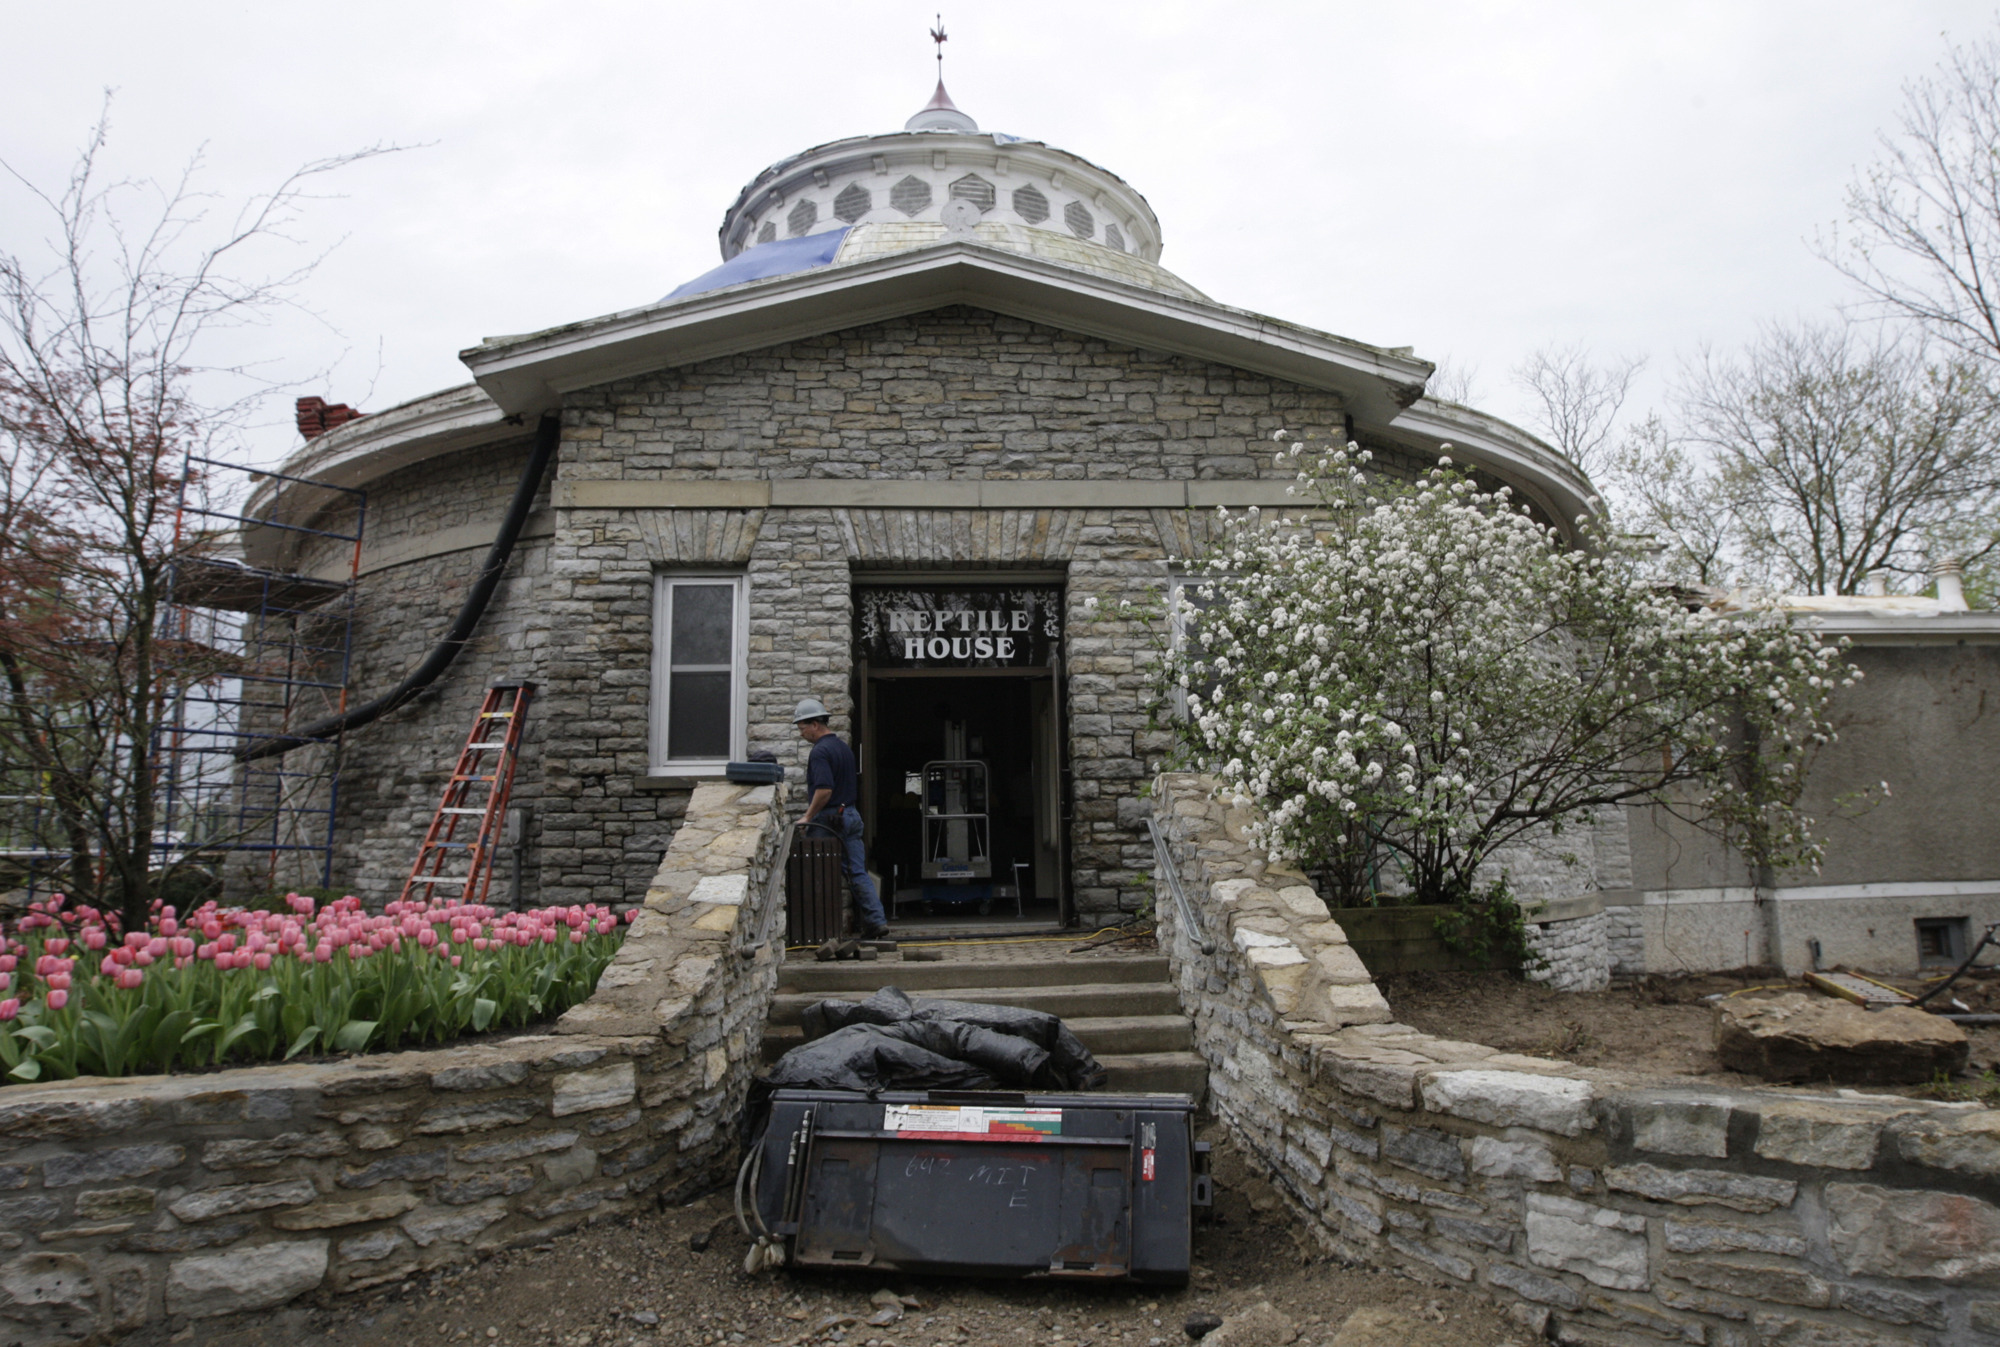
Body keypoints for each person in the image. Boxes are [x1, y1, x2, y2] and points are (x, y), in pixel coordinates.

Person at [793, 698, 888, 940]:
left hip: (829, 819)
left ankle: (818, 932)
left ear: (815, 724)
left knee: (817, 871)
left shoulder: (820, 752)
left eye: (802, 727)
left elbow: (824, 790)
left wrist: (807, 816)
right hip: (851, 815)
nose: (801, 733)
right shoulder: (843, 748)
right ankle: (877, 922)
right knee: (858, 872)